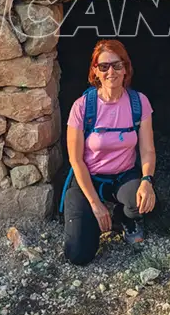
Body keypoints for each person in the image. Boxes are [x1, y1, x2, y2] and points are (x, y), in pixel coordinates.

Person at [62, 40, 157, 265]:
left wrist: (147, 181)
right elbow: (75, 160)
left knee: (144, 203)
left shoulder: (139, 103)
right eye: (103, 67)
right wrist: (95, 204)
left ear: (126, 68)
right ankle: (93, 215)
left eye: (116, 65)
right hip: (89, 178)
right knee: (78, 254)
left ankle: (123, 217)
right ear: (95, 70)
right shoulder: (83, 106)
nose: (110, 72)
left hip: (124, 175)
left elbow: (147, 149)